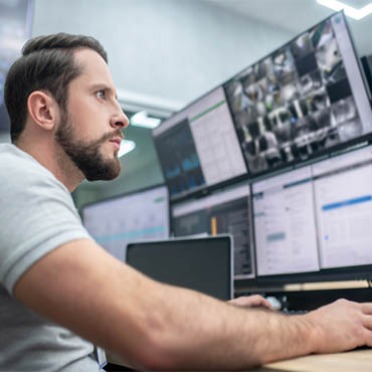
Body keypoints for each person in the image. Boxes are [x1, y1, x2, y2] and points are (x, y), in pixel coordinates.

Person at [0, 33, 372, 372]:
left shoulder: (33, 190)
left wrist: (220, 323)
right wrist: (314, 328)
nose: (122, 116)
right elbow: (152, 329)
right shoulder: (15, 180)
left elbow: (98, 336)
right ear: (45, 111)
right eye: (101, 95)